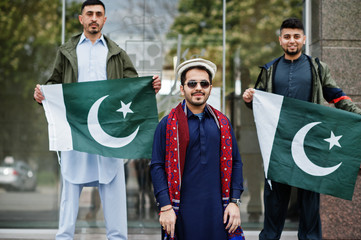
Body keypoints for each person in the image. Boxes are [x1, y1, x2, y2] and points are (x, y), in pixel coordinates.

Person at [33, 1, 161, 239]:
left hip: (108, 131)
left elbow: (131, 86)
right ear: (81, 19)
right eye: (89, 14)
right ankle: (64, 237)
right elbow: (53, 84)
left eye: (98, 14)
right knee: (70, 187)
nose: (94, 18)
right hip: (77, 128)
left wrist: (148, 88)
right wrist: (42, 95)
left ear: (104, 20)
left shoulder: (117, 53)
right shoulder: (66, 51)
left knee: (113, 187)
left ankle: (117, 238)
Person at [242, 18, 361, 240]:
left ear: (304, 39)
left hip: (310, 145)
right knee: (275, 203)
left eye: (296, 36)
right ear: (280, 40)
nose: (292, 40)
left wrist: (358, 116)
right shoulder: (270, 69)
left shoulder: (317, 67)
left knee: (309, 203)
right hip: (278, 147)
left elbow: (337, 96)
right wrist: (249, 98)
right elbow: (256, 102)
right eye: (287, 36)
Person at [151, 58, 245, 240]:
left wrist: (234, 202)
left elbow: (236, 163)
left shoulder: (222, 123)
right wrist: (165, 207)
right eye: (192, 83)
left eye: (204, 83)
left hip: (219, 212)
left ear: (210, 87)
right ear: (182, 88)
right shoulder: (167, 124)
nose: (198, 88)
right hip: (181, 213)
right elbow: (157, 166)